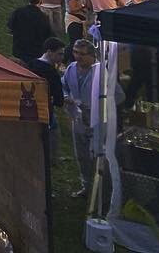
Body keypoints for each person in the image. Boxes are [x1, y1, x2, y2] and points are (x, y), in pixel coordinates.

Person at [64, 39, 99, 199]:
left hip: (97, 121)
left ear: (92, 55)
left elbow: (117, 96)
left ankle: (101, 189)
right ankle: (87, 186)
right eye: (75, 53)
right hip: (77, 119)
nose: (78, 57)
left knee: (97, 155)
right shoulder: (71, 69)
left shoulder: (100, 72)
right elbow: (63, 86)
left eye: (82, 54)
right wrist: (66, 97)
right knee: (82, 155)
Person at [7, 0, 52, 64]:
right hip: (35, 52)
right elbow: (48, 35)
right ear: (41, 0)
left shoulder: (19, 12)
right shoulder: (43, 17)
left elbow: (10, 26)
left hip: (19, 50)